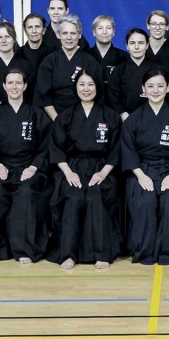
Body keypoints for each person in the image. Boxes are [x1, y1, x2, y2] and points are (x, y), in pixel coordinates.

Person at [0, 66, 52, 264]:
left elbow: (46, 146)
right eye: (10, 83)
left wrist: (33, 167)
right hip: (3, 167)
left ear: (25, 86)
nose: (14, 87)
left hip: (29, 167)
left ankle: (24, 249)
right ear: (4, 86)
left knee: (26, 192)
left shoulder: (36, 114)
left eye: (18, 83)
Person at [46, 72, 122, 269]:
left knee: (96, 196)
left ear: (98, 87)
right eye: (82, 84)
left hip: (101, 169)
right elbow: (56, 149)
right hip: (72, 168)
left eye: (90, 84)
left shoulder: (110, 116)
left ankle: (101, 253)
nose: (86, 89)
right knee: (74, 197)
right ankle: (68, 254)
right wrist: (68, 173)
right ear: (75, 87)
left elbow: (115, 150)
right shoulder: (65, 116)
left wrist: (103, 172)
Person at [120, 67, 169, 266]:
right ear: (143, 89)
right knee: (145, 201)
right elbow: (128, 150)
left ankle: (168, 251)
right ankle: (144, 252)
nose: (155, 90)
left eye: (160, 86)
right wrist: (140, 175)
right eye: (150, 86)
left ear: (168, 88)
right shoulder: (134, 118)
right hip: (141, 170)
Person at [34, 15, 97, 121]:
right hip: (54, 117)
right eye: (64, 33)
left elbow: (97, 93)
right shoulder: (49, 61)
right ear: (58, 35)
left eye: (73, 33)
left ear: (80, 35)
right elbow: (43, 96)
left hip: (84, 116)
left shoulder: (90, 61)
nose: (69, 38)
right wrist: (58, 120)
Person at [111, 28, 156, 117]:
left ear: (147, 45)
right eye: (132, 43)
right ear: (127, 46)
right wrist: (123, 114)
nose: (136, 47)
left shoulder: (156, 70)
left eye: (141, 43)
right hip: (125, 118)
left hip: (152, 117)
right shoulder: (118, 70)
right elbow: (113, 96)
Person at [88, 14, 128, 88]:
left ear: (113, 32)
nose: (104, 32)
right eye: (100, 28)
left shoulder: (124, 57)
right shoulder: (85, 55)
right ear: (94, 32)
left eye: (108, 28)